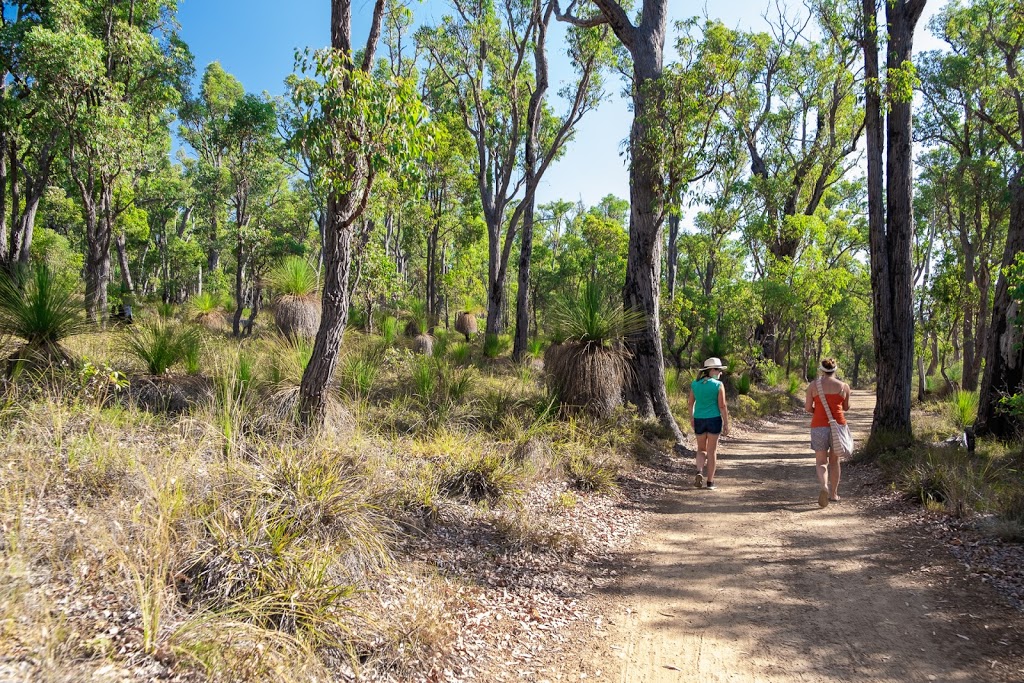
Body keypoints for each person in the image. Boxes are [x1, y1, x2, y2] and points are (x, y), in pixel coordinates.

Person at [805, 357, 851, 508]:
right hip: (838, 426)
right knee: (835, 461)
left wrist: (818, 411)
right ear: (835, 370)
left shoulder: (813, 386)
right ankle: (834, 493)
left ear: (822, 370)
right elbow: (846, 407)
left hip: (818, 426)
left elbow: (807, 408)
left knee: (820, 461)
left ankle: (824, 485)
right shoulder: (844, 387)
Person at [688, 357, 730, 490]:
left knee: (701, 449)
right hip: (714, 419)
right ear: (711, 370)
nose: (720, 373)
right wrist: (726, 423)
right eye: (718, 370)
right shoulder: (718, 385)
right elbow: (722, 406)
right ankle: (710, 482)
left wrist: (692, 418)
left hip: (699, 419)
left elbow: (690, 403)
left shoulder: (695, 384)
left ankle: (699, 471)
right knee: (711, 451)